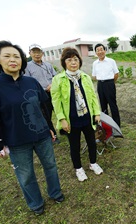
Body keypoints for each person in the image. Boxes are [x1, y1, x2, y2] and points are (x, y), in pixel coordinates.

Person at [0, 40, 64, 216]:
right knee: (26, 175)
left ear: (22, 60)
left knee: (51, 166)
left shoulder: (31, 82)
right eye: (7, 56)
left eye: (16, 56)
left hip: (41, 135)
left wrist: (50, 128)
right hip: (16, 140)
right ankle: (35, 203)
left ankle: (55, 192)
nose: (12, 60)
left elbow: (42, 108)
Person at [51, 47, 103, 182]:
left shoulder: (85, 77)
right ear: (64, 63)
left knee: (92, 142)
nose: (73, 62)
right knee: (75, 145)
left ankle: (93, 163)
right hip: (71, 119)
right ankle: (79, 169)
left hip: (87, 116)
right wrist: (62, 119)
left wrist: (97, 113)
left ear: (79, 61)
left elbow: (92, 96)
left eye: (75, 59)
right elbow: (56, 102)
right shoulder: (58, 79)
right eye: (69, 60)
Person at [24, 44, 59, 144]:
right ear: (29, 53)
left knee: (59, 111)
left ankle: (63, 130)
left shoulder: (48, 65)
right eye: (34, 52)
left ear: (42, 53)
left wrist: (52, 84)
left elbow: (56, 77)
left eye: (38, 52)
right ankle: (53, 135)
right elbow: (27, 82)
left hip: (54, 92)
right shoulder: (27, 66)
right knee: (46, 115)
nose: (36, 54)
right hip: (40, 94)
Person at [92, 43, 121, 127]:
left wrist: (111, 83)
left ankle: (116, 125)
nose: (100, 52)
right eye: (98, 50)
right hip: (100, 85)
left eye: (101, 49)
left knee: (113, 105)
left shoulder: (111, 61)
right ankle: (106, 125)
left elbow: (116, 74)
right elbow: (94, 76)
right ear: (96, 53)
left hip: (110, 84)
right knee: (103, 105)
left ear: (105, 50)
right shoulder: (95, 63)